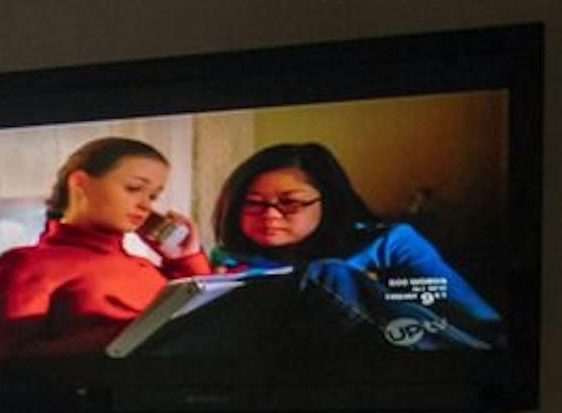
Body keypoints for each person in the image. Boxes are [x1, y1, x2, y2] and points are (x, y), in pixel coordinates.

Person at [208, 142, 501, 351]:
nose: (270, 215)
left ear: (328, 200)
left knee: (329, 275)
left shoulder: (389, 243)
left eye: (290, 202)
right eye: (253, 203)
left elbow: (475, 317)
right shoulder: (229, 260)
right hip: (300, 378)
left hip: (417, 361)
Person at [0, 137, 214, 357]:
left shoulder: (147, 267)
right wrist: (134, 334)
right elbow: (16, 359)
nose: (144, 206)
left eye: (153, 196)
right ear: (79, 183)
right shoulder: (27, 263)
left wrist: (185, 257)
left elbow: (203, 318)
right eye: (133, 188)